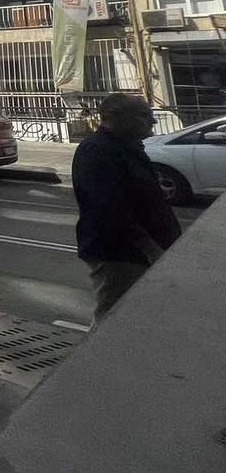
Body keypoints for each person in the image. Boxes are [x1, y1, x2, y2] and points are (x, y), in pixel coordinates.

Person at [72, 93, 182, 320]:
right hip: (122, 255)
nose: (152, 121)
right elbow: (108, 208)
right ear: (114, 117)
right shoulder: (96, 151)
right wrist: (149, 248)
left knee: (142, 316)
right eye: (144, 116)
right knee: (113, 319)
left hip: (144, 253)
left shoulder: (129, 147)